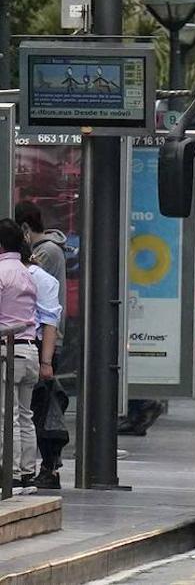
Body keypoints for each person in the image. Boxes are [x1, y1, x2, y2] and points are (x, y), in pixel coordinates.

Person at [15, 201, 69, 484]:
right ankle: (42, 468)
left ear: (24, 229)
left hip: (40, 341)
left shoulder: (43, 254)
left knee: (36, 409)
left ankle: (45, 468)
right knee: (36, 408)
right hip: (44, 342)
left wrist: (46, 358)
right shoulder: (51, 250)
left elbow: (36, 302)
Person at [0, 219, 41, 495]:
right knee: (26, 415)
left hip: (8, 350)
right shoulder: (28, 273)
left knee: (7, 416)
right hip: (30, 350)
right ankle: (27, 475)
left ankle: (10, 476)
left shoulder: (1, 272)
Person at [22, 242, 64, 489]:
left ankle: (23, 470)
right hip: (37, 350)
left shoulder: (20, 276)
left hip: (30, 348)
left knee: (23, 414)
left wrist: (45, 362)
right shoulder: (44, 278)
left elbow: (49, 321)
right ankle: (34, 470)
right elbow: (51, 321)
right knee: (29, 415)